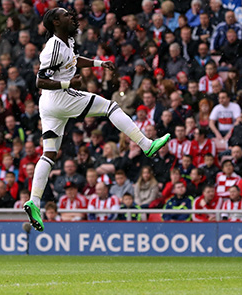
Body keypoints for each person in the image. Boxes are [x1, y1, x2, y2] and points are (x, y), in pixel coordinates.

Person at [23, 8, 170, 231]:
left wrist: (99, 64)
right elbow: (40, 81)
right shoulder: (53, 47)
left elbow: (72, 60)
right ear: (55, 22)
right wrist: (68, 85)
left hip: (50, 105)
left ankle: (34, 201)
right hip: (59, 97)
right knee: (111, 107)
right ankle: (146, 144)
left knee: (49, 154)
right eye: (65, 15)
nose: (71, 17)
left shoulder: (67, 41)